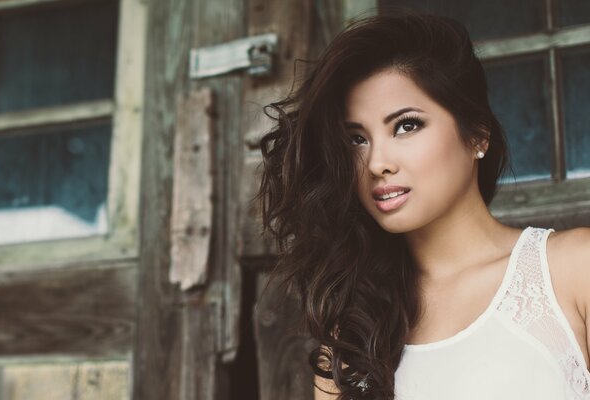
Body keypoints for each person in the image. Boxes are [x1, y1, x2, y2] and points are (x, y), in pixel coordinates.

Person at [253, 6, 590, 400]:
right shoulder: (352, 336)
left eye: (406, 126)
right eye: (356, 139)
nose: (377, 163)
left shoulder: (572, 270)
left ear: (478, 135)